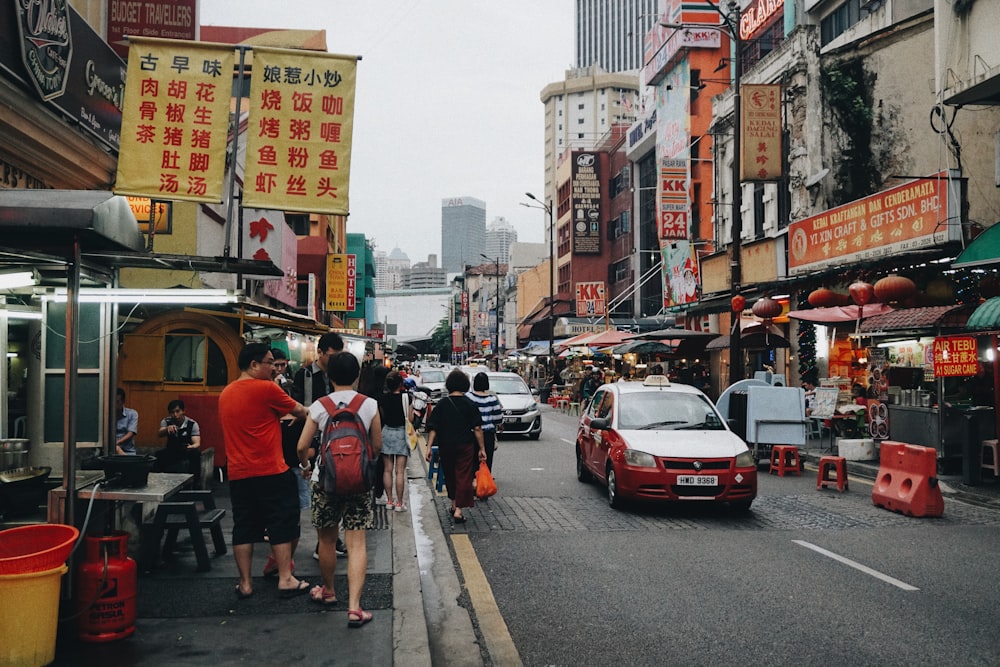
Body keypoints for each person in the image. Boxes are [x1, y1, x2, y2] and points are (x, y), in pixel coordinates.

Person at [296, 351, 382, 627]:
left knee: (327, 540)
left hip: (325, 480)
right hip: (359, 482)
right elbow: (377, 445)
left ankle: (329, 591)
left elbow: (301, 446)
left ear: (329, 376)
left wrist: (306, 464)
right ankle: (355, 608)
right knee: (357, 545)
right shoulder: (369, 404)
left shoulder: (320, 405)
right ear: (357, 375)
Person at [219, 343, 310, 600]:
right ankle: (285, 578)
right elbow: (301, 411)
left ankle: (245, 584)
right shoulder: (266, 388)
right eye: (270, 362)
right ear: (254, 365)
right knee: (282, 522)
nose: (274, 368)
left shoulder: (226, 393)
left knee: (244, 526)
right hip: (271, 470)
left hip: (238, 472)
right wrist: (300, 414)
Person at [290, 332, 348, 559]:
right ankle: (325, 541)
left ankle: (331, 538)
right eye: (331, 356)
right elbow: (298, 409)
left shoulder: (340, 375)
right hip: (314, 441)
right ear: (320, 352)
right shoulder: (303, 375)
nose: (334, 361)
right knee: (319, 493)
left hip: (337, 440)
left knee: (338, 490)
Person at [424, 369, 486, 523]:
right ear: (465, 385)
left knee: (450, 475)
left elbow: (433, 427)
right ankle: (458, 509)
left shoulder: (443, 404)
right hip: (465, 445)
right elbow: (477, 428)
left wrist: (429, 447)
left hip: (446, 445)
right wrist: (482, 448)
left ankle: (453, 505)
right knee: (463, 476)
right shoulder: (470, 404)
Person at [378, 371, 411, 512]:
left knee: (387, 469)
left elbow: (382, 417)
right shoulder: (407, 398)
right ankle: (399, 503)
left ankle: (389, 501)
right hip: (401, 434)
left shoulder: (382, 398)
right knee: (399, 471)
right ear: (401, 384)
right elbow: (409, 418)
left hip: (386, 432)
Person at [466, 372, 503, 472]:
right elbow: (498, 419)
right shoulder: (492, 399)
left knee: (472, 461)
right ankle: (484, 483)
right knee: (486, 461)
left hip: (471, 434)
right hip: (487, 435)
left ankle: (473, 481)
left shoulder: (468, 397)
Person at [153, 400, 201, 474]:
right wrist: (167, 429)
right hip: (172, 449)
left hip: (187, 450)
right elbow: (159, 434)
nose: (175, 415)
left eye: (177, 411)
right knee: (158, 455)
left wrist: (191, 447)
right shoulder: (166, 421)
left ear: (183, 411)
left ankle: (196, 482)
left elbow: (197, 443)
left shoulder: (192, 424)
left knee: (196, 454)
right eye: (172, 412)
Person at [114, 388, 138, 455]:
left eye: (117, 402)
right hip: (110, 450)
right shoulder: (107, 415)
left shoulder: (132, 414)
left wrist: (116, 443)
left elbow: (131, 433)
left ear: (123, 401)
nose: (114, 404)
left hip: (128, 451)